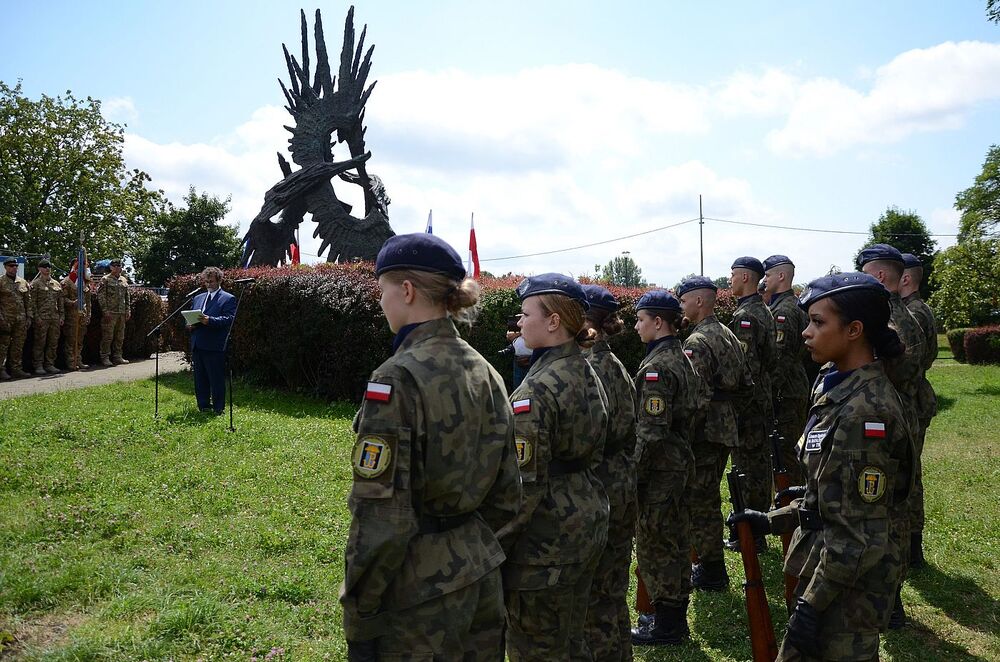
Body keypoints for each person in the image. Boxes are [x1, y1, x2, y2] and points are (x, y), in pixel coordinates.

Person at [340, 233, 522, 661]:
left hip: (417, 596)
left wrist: (360, 616)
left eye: (382, 290)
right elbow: (508, 492)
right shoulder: (486, 371)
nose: (380, 301)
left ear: (406, 291)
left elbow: (382, 517)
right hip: (479, 576)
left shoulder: (396, 377)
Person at [728, 272, 915, 662]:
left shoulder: (866, 413)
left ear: (854, 330)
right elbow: (828, 495)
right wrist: (773, 519)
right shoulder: (832, 384)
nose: (805, 333)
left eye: (818, 322)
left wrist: (811, 607)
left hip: (848, 591)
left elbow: (857, 532)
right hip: (828, 571)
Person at [503, 273, 610, 661]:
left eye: (525, 313)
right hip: (587, 520)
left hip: (545, 540)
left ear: (553, 321)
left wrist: (493, 546)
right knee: (572, 641)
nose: (519, 321)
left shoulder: (537, 390)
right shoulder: (587, 370)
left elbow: (523, 487)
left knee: (538, 648)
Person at [857, 243, 926, 627]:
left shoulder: (887, 321)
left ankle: (889, 602)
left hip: (882, 424)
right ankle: (892, 600)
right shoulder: (908, 315)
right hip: (901, 416)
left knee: (884, 509)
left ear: (878, 276)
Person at [629, 290, 700, 646]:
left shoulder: (657, 366)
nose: (636, 325)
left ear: (658, 323)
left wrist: (633, 476)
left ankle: (667, 625)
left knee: (657, 544)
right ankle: (672, 618)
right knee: (675, 539)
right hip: (680, 463)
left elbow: (651, 432)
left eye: (640, 320)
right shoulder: (679, 356)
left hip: (661, 470)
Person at [677, 275, 751, 591]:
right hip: (724, 425)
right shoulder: (726, 333)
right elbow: (747, 383)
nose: (680, 306)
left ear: (698, 301)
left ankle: (711, 570)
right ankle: (709, 563)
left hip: (705, 430)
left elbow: (695, 396)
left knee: (701, 500)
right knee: (706, 496)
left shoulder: (697, 342)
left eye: (683, 300)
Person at [579, 284, 637, 660]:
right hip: (620, 480)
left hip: (601, 482)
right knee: (612, 590)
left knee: (596, 595)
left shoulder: (592, 368)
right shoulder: (612, 363)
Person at [727, 257, 778, 547]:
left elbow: (743, 367)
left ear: (745, 277)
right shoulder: (762, 310)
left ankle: (751, 533)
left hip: (749, 403)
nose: (730, 280)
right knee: (758, 464)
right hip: (761, 398)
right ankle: (755, 529)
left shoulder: (747, 316)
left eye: (733, 275)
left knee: (749, 468)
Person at [899, 253, 938, 568]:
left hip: (911, 400)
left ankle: (913, 548)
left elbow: (918, 361)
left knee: (909, 474)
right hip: (914, 398)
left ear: (906, 279)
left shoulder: (913, 313)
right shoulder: (918, 309)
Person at [763, 254, 810, 486]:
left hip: (786, 393)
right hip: (794, 387)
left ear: (781, 276)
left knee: (784, 454)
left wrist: (768, 394)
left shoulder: (784, 311)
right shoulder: (794, 305)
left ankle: (791, 510)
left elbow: (780, 359)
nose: (765, 279)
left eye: (768, 274)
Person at [186, 267, 236, 414]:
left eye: (211, 281)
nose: (208, 284)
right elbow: (191, 315)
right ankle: (203, 406)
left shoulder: (228, 298)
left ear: (219, 280)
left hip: (214, 345)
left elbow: (229, 319)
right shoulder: (198, 297)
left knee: (216, 379)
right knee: (200, 379)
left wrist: (210, 320)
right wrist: (189, 325)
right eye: (206, 281)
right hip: (198, 343)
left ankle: (218, 408)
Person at [30, 259, 65, 375]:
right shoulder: (35, 284)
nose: (47, 269)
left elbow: (60, 301)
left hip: (54, 318)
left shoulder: (56, 284)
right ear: (39, 269)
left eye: (49, 267)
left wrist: (61, 316)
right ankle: (38, 365)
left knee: (53, 342)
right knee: (40, 343)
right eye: (44, 267)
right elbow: (32, 303)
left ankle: (50, 364)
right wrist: (36, 317)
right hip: (42, 318)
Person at [0, 257, 32, 379]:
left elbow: (28, 301)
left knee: (18, 345)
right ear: (5, 267)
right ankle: (1, 369)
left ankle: (16, 369)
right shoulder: (1, 281)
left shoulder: (22, 282)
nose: (13, 268)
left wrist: (29, 317)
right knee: (3, 345)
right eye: (11, 266)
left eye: (15, 266)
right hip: (5, 319)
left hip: (21, 320)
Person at [60, 258, 94, 371]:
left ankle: (78, 360)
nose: (83, 269)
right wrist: (72, 303)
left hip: (82, 316)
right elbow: (62, 299)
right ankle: (71, 362)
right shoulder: (67, 282)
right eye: (79, 266)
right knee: (71, 340)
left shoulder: (85, 282)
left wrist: (88, 314)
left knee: (79, 340)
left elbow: (88, 302)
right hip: (71, 316)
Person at [97, 258, 131, 366]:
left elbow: (127, 296)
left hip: (121, 313)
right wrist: (105, 310)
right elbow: (101, 296)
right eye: (115, 266)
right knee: (108, 336)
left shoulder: (124, 280)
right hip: (110, 313)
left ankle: (117, 356)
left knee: (120, 337)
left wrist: (127, 310)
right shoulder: (105, 279)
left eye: (119, 266)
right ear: (111, 267)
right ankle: (105, 357)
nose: (118, 268)